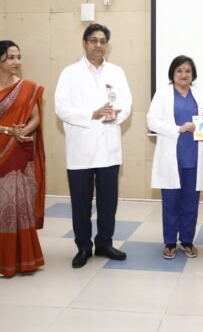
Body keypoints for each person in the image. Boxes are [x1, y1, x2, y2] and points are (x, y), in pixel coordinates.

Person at [55, 23, 132, 269]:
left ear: (107, 45)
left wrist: (116, 114)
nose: (98, 45)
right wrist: (92, 114)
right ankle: (83, 247)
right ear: (85, 43)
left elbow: (127, 103)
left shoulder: (117, 72)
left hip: (109, 148)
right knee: (81, 203)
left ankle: (104, 243)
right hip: (80, 149)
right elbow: (61, 108)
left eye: (102, 41)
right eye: (93, 40)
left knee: (108, 202)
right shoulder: (70, 73)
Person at [0, 40, 46, 277]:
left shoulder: (27, 87)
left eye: (18, 57)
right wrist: (8, 131)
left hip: (18, 149)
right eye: (11, 58)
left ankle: (23, 259)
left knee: (20, 203)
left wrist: (21, 133)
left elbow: (35, 118)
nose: (16, 62)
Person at [147, 55, 203, 260]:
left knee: (191, 202)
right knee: (171, 202)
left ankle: (187, 241)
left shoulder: (199, 96)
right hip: (171, 157)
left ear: (193, 75)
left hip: (194, 156)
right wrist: (178, 129)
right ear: (172, 73)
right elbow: (152, 121)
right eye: (179, 70)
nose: (184, 74)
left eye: (188, 71)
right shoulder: (162, 94)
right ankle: (170, 242)